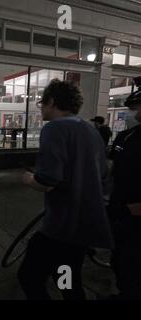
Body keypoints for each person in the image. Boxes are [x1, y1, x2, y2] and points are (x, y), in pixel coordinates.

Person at [18, 79, 113, 300]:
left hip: (61, 226)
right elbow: (103, 177)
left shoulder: (54, 129)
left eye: (42, 102)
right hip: (84, 225)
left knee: (29, 277)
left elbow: (47, 181)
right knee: (67, 281)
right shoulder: (91, 131)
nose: (40, 107)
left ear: (52, 102)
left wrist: (29, 179)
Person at [107, 76, 141, 299]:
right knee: (119, 260)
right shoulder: (127, 135)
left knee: (133, 264)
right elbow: (111, 168)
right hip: (120, 210)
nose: (135, 112)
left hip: (137, 217)